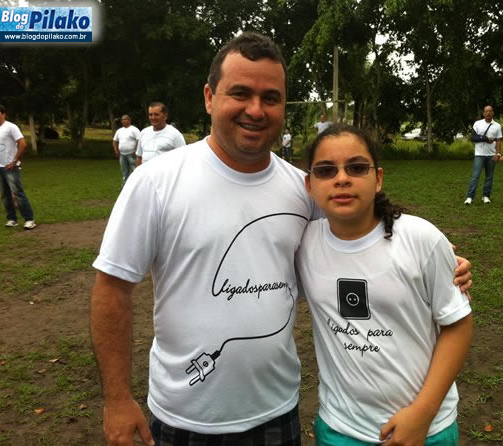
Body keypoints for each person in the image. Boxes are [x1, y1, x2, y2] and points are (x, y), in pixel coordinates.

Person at [90, 32, 472, 446]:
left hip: (277, 413)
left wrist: (443, 259)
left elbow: (360, 231)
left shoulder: (302, 189)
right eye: (240, 93)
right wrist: (117, 398)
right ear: (209, 97)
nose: (256, 110)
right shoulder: (156, 181)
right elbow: (112, 288)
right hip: (185, 416)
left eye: (270, 98)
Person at [297, 124, 473, 445]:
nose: (342, 178)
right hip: (340, 430)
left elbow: (458, 325)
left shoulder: (420, 238)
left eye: (356, 167)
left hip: (426, 429)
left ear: (378, 178)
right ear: (310, 185)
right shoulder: (302, 244)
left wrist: (422, 413)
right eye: (325, 170)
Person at [0, 104, 36, 229]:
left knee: (18, 193)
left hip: (10, 167)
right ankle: (12, 219)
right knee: (4, 194)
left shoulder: (11, 127)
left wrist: (14, 161)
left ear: (3, 114)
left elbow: (22, 143)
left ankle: (29, 219)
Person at [464, 105, 502, 205]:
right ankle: (469, 197)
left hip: (491, 155)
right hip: (479, 154)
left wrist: (498, 153)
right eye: (486, 111)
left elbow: (498, 141)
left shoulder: (497, 126)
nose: (488, 113)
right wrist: (485, 138)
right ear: (483, 113)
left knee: (489, 177)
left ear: (493, 113)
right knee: (475, 176)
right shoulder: (478, 124)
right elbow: (473, 138)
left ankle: (486, 196)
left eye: (490, 111)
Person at [112, 115, 141, 187]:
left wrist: (136, 150)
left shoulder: (134, 129)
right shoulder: (119, 131)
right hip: (122, 155)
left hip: (132, 155)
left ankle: (137, 186)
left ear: (129, 120)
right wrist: (116, 150)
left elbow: (139, 140)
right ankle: (125, 186)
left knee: (135, 170)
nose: (123, 121)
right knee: (124, 171)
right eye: (122, 120)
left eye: (125, 119)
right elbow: (114, 141)